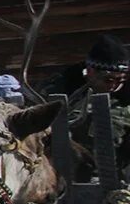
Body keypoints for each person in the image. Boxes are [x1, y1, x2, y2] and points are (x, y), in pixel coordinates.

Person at [40, 34, 130, 165]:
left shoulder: (124, 97)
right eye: (108, 80)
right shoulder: (60, 88)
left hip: (114, 170)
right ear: (90, 71)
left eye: (120, 80)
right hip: (67, 166)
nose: (114, 85)